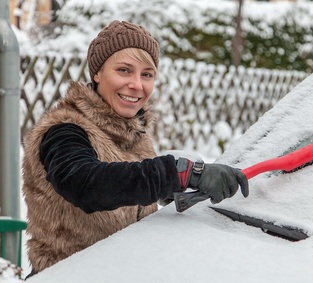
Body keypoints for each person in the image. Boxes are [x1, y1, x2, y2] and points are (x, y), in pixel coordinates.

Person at [22, 20, 249, 277]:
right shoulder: (64, 131)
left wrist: (168, 189)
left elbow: (129, 181)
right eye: (124, 70)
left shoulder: (134, 134)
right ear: (97, 73)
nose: (137, 85)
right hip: (66, 275)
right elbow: (86, 184)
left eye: (147, 74)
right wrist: (179, 173)